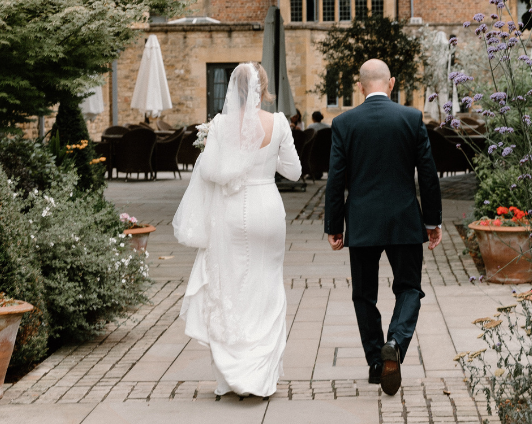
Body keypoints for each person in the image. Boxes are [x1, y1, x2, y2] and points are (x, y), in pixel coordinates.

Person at [173, 63, 302, 397]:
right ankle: (260, 375)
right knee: (267, 286)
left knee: (229, 287)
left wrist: (234, 159)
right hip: (268, 209)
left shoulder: (220, 124)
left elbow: (213, 171)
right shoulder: (278, 122)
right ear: (264, 87)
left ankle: (230, 377)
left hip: (231, 214)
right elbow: (294, 172)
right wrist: (267, 157)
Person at [324, 59, 442, 396]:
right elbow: (428, 175)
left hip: (361, 222)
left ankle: (377, 363)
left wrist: (334, 225)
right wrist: (432, 221)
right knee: (409, 288)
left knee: (364, 294)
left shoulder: (344, 123)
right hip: (405, 219)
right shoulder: (411, 118)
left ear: (360, 86)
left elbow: (336, 181)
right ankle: (396, 341)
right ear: (391, 83)